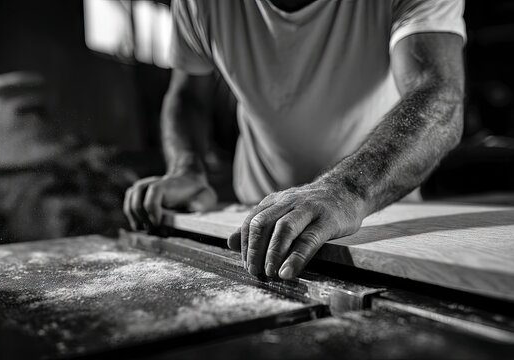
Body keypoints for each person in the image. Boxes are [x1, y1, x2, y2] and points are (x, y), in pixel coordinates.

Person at [124, 0, 466, 280]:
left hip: (379, 213)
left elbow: (439, 94)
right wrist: (186, 168)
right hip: (254, 215)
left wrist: (348, 190)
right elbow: (188, 96)